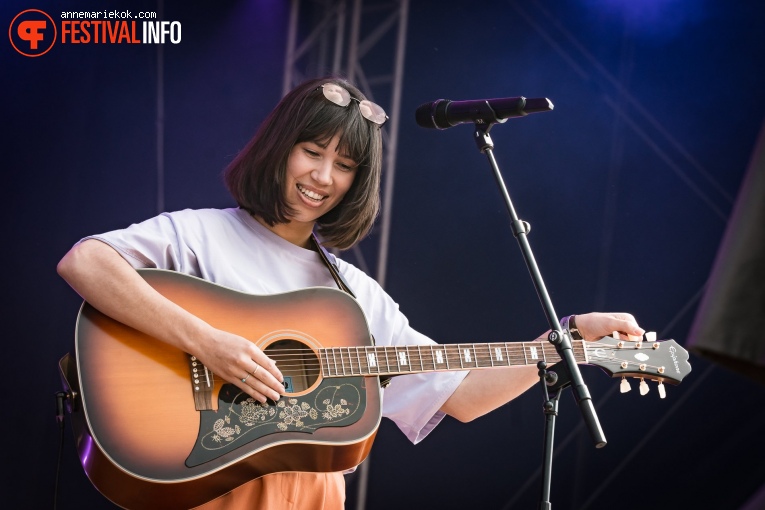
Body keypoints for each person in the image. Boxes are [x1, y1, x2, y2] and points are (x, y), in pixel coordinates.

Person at [57, 76, 645, 509]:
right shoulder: (200, 233)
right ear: (279, 148)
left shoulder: (352, 293)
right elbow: (87, 262)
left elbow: (459, 394)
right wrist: (210, 343)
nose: (322, 177)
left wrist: (571, 337)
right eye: (312, 152)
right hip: (206, 487)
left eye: (344, 166)